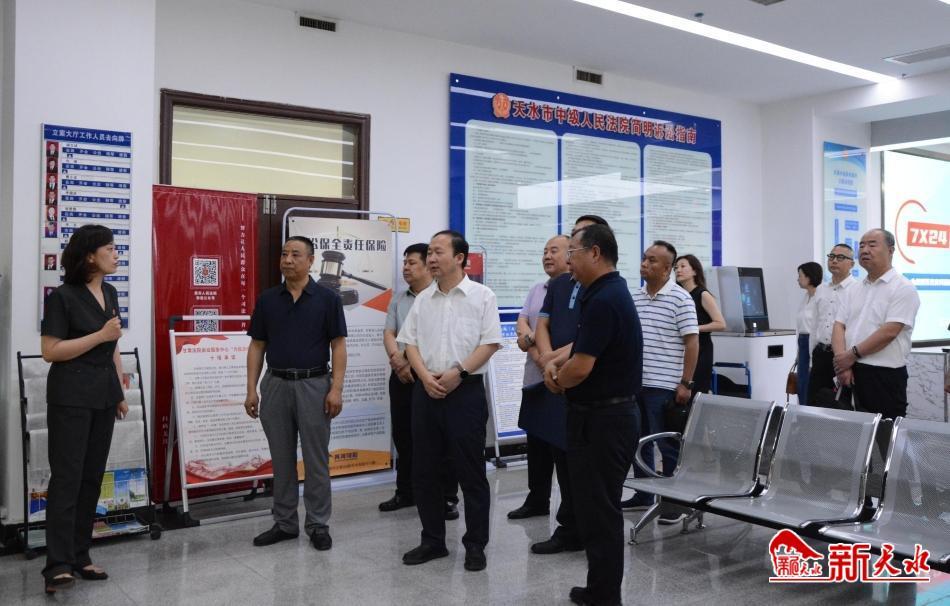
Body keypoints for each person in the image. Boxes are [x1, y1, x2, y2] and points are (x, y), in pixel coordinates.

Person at [542, 224, 642, 606]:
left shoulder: (604, 298)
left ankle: (605, 596)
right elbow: (581, 348)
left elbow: (582, 367)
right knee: (594, 509)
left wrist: (556, 381)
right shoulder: (604, 292)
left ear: (595, 253)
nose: (568, 260)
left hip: (605, 421)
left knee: (600, 512)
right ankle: (600, 587)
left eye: (573, 252)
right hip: (599, 417)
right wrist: (557, 363)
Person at [397, 230, 502, 571]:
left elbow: (490, 343)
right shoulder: (423, 299)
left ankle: (475, 545)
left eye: (438, 251)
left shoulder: (482, 296)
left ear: (459, 258)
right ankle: (433, 541)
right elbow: (409, 343)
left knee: (470, 471)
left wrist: (459, 372)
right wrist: (424, 377)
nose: (431, 258)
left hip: (465, 393)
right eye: (429, 252)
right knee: (424, 470)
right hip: (426, 392)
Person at [40, 224, 128, 595]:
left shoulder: (109, 292)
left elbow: (114, 344)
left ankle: (80, 554)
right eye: (110, 248)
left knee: (92, 477)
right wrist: (100, 336)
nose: (116, 254)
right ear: (90, 256)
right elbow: (51, 351)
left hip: (103, 395)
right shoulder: (62, 297)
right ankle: (57, 564)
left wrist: (120, 390)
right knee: (67, 478)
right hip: (71, 396)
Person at [245, 236, 347, 551]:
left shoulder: (328, 299)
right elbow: (257, 345)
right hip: (275, 385)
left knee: (316, 460)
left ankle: (318, 524)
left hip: (314, 385)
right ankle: (285, 523)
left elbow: (338, 346)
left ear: (311, 261)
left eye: (296, 254)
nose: (287, 259)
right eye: (284, 253)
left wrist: (336, 388)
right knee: (281, 459)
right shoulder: (268, 299)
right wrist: (251, 389)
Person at [528, 215, 609, 555]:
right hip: (557, 380)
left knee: (584, 467)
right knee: (561, 457)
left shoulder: (601, 288)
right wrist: (548, 359)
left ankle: (581, 530)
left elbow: (587, 338)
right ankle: (569, 526)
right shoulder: (560, 284)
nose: (571, 249)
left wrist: (554, 362)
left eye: (576, 242)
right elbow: (542, 324)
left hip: (582, 383)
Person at [378, 243, 460, 519]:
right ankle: (406, 491)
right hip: (401, 375)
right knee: (403, 435)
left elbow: (434, 337)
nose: (406, 268)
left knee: (439, 438)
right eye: (404, 263)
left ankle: (446, 497)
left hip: (430, 375)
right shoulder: (399, 298)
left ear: (428, 266)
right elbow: (389, 332)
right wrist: (396, 359)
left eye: (412, 262)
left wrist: (406, 359)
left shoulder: (440, 297)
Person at [626, 241, 698, 524]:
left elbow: (692, 343)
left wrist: (686, 383)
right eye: (644, 258)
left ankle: (673, 501)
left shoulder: (681, 298)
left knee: (667, 445)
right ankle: (643, 494)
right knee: (638, 442)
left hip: (665, 386)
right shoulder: (634, 296)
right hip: (635, 384)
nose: (645, 264)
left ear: (667, 268)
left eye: (652, 260)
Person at [507, 234, 570, 520]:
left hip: (560, 381)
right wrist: (536, 351)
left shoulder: (573, 291)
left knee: (560, 448)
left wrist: (534, 346)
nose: (547, 256)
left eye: (554, 250)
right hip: (535, 379)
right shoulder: (537, 289)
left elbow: (555, 334)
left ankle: (568, 510)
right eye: (544, 251)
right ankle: (537, 500)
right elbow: (522, 321)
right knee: (536, 445)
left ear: (571, 255)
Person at [832, 229, 920, 422]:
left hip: (883, 375)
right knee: (851, 431)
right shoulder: (854, 288)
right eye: (862, 245)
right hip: (850, 370)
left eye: (872, 245)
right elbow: (839, 325)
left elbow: (889, 332)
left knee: (884, 433)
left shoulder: (903, 287)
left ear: (890, 250)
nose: (865, 250)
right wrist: (842, 364)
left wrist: (850, 355)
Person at [807, 245, 856, 405]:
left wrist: (848, 362)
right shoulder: (821, 289)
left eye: (840, 258)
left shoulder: (856, 290)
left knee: (839, 405)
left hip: (842, 357)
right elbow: (814, 324)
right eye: (831, 256)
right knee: (813, 402)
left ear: (851, 264)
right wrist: (811, 357)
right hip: (820, 354)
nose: (834, 261)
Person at [674, 254, 725, 395]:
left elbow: (720, 324)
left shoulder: (702, 294)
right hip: (682, 350)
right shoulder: (678, 295)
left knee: (695, 391)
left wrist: (693, 328)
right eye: (676, 267)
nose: (678, 270)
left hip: (701, 349)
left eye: (683, 266)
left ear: (695, 271)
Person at [795, 261, 822, 405]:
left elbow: (818, 328)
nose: (798, 279)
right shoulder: (806, 297)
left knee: (810, 383)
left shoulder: (820, 297)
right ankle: (801, 412)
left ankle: (808, 413)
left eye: (800, 275)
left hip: (814, 343)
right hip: (803, 343)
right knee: (801, 383)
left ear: (809, 277)